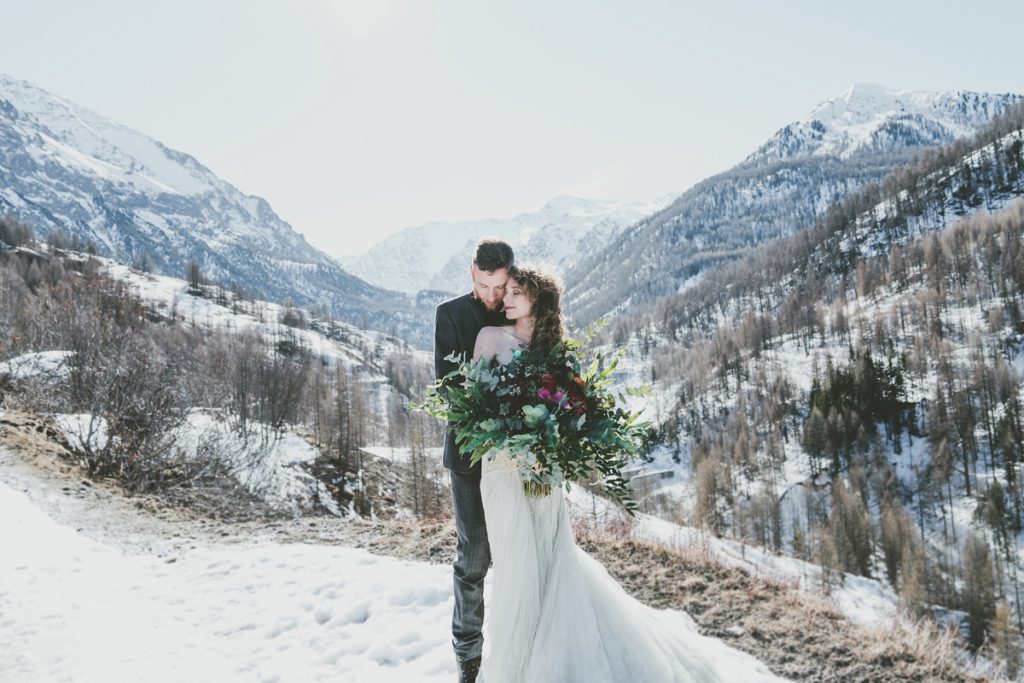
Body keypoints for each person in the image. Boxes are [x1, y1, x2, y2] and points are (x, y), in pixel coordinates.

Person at [471, 264, 786, 683]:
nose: (504, 299)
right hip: (504, 469)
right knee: (515, 564)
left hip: (544, 471)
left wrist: (556, 441)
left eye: (515, 293)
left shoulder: (555, 352)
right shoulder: (490, 337)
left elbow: (575, 407)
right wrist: (511, 432)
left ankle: (547, 660)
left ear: (537, 301)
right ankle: (513, 666)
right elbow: (473, 404)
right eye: (505, 291)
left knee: (550, 557)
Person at [434, 238, 515, 683]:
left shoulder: (521, 308)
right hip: (468, 456)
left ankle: (517, 644)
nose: (491, 296)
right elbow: (448, 388)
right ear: (472, 274)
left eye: (499, 286)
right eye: (484, 285)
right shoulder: (449, 315)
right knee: (473, 557)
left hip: (518, 460)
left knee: (517, 554)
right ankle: (468, 655)